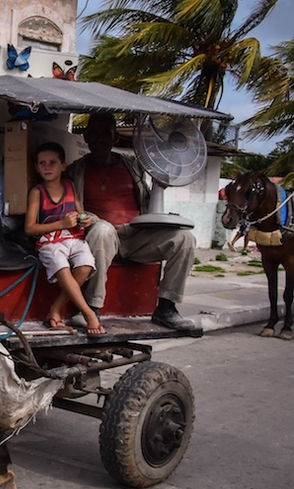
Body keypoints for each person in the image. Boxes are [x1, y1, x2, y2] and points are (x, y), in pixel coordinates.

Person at [65, 113, 196, 330]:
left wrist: (161, 183)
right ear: (86, 137)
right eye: (94, 134)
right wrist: (89, 219)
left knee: (184, 239)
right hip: (103, 236)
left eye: (106, 134)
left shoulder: (133, 164)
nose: (100, 139)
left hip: (137, 236)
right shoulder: (75, 170)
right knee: (103, 230)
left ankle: (166, 308)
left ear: (115, 138)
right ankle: (91, 306)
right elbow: (71, 207)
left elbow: (162, 175)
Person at [25, 142, 104, 334]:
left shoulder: (70, 186)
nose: (47, 167)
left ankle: (55, 308)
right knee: (61, 264)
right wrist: (60, 224)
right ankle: (89, 314)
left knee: (85, 264)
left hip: (73, 238)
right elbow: (30, 228)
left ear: (63, 166)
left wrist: (84, 220)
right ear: (36, 167)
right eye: (42, 163)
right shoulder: (37, 192)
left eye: (52, 162)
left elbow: (79, 214)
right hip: (49, 241)